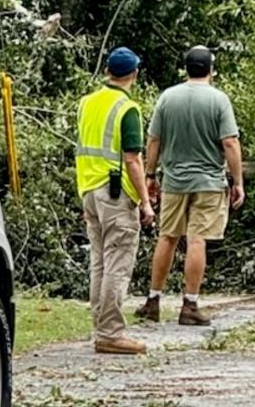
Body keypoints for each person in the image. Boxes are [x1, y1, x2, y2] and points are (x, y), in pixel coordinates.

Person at [136, 45, 245, 326]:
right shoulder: (219, 100)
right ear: (211, 69)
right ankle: (190, 304)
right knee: (197, 239)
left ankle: (153, 300)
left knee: (168, 236)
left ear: (186, 68)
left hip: (173, 180)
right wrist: (237, 181)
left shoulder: (167, 98)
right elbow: (230, 142)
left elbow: (154, 140)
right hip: (209, 182)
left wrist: (150, 175)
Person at [75, 47, 155, 355]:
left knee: (100, 262)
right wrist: (146, 202)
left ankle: (101, 325)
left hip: (90, 191)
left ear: (109, 71)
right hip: (116, 193)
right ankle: (110, 332)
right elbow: (133, 159)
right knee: (118, 264)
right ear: (134, 74)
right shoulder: (127, 109)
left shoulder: (86, 103)